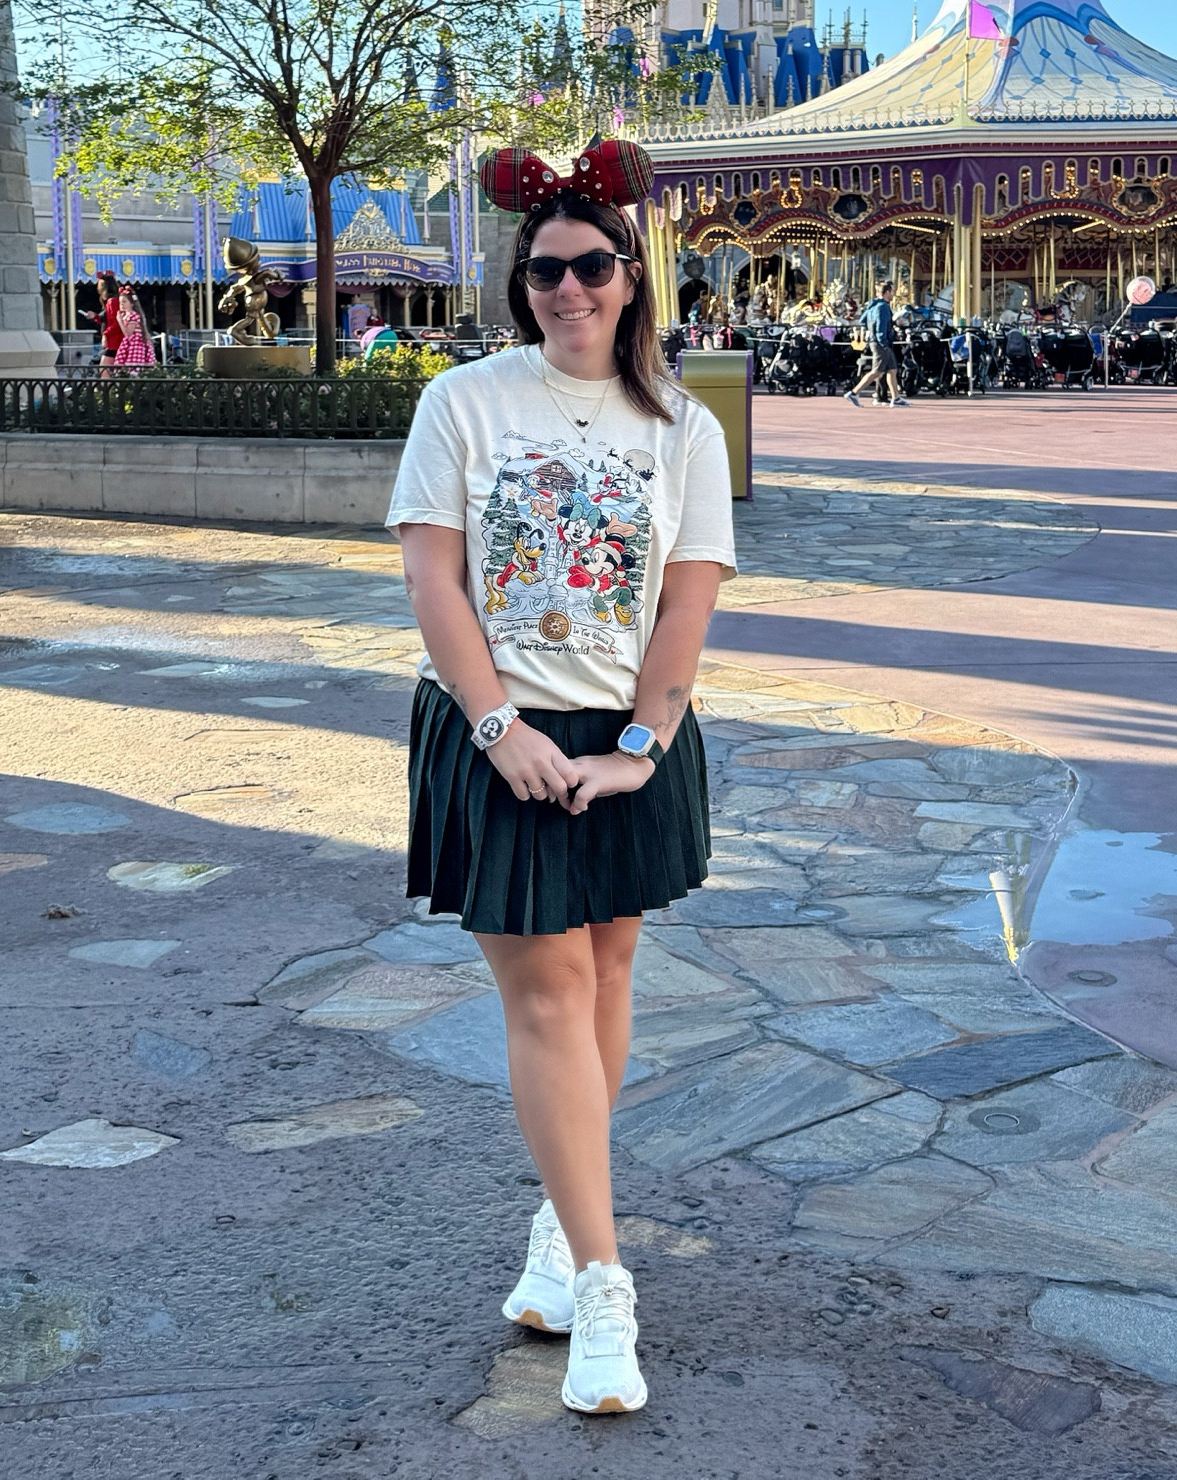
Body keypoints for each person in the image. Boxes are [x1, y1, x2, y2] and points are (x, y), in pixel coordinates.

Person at [389, 139, 735, 1420]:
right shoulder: (463, 403)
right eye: (545, 272)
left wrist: (640, 745)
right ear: (519, 282)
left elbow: (688, 594)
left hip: (628, 739)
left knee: (607, 977)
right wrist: (500, 728)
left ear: (631, 276)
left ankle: (556, 1221)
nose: (568, 290)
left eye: (591, 267)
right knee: (545, 993)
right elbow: (434, 578)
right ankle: (601, 1278)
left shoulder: (681, 424)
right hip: (498, 732)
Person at [847, 280, 909, 406]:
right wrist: (883, 341)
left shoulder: (873, 306)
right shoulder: (883, 307)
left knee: (892, 370)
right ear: (887, 293)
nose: (893, 295)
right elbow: (881, 326)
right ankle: (853, 393)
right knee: (877, 371)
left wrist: (871, 329)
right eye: (892, 292)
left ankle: (896, 398)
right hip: (881, 343)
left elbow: (863, 321)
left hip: (877, 340)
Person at [111, 283, 156, 369]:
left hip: (134, 345)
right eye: (120, 302)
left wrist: (120, 321)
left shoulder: (133, 315)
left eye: (124, 302)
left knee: (133, 367)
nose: (122, 305)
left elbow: (128, 333)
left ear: (131, 304)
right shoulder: (127, 315)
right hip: (129, 344)